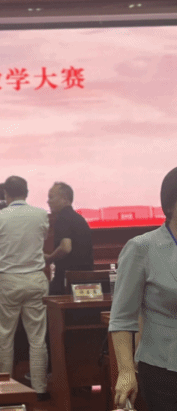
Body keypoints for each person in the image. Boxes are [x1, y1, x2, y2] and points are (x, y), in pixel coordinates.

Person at [110, 166, 177, 410]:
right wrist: (126, 371)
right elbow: (121, 318)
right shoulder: (142, 248)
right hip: (164, 368)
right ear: (171, 205)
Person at [0, 176, 50, 400]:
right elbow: (42, 237)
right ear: (27, 192)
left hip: (8, 280)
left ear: (6, 194)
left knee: (4, 337)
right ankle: (40, 388)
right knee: (37, 338)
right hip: (35, 278)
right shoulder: (41, 214)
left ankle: (5, 388)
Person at [44, 182, 93, 295]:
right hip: (86, 282)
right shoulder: (79, 218)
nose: (48, 201)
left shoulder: (63, 218)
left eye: (51, 197)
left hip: (68, 283)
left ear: (64, 199)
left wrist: (49, 258)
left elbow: (65, 248)